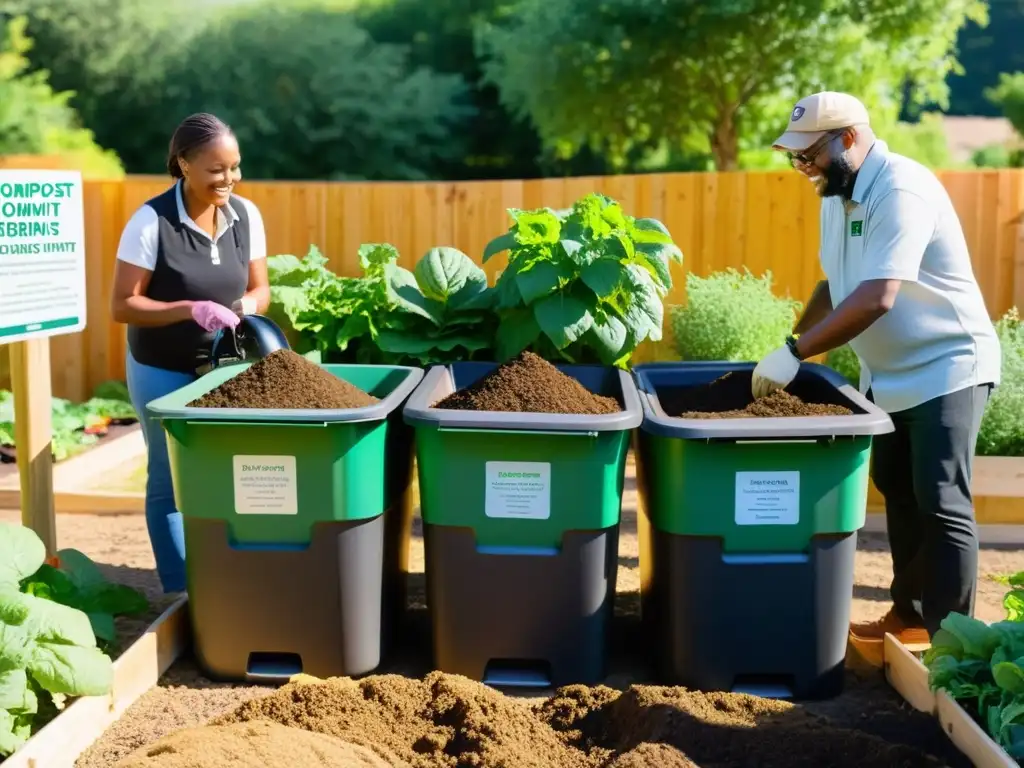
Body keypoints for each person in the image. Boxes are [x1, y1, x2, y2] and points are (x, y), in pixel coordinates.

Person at [751, 91, 1001, 644]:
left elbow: (877, 297)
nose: (802, 168)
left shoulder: (899, 189)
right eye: (794, 157)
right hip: (888, 376)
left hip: (947, 364)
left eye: (808, 155)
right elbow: (836, 288)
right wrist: (792, 338)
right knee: (898, 490)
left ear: (847, 139)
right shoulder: (836, 196)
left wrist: (796, 355)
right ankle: (910, 618)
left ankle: (953, 641)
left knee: (940, 498)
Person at [110, 113, 270, 594]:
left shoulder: (246, 216)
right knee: (169, 478)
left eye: (235, 167)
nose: (229, 180)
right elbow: (122, 305)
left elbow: (261, 288)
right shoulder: (151, 221)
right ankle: (182, 592)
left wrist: (244, 307)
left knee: (231, 472)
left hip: (225, 370)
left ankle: (228, 577)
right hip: (163, 369)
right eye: (216, 170)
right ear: (183, 164)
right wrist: (188, 308)